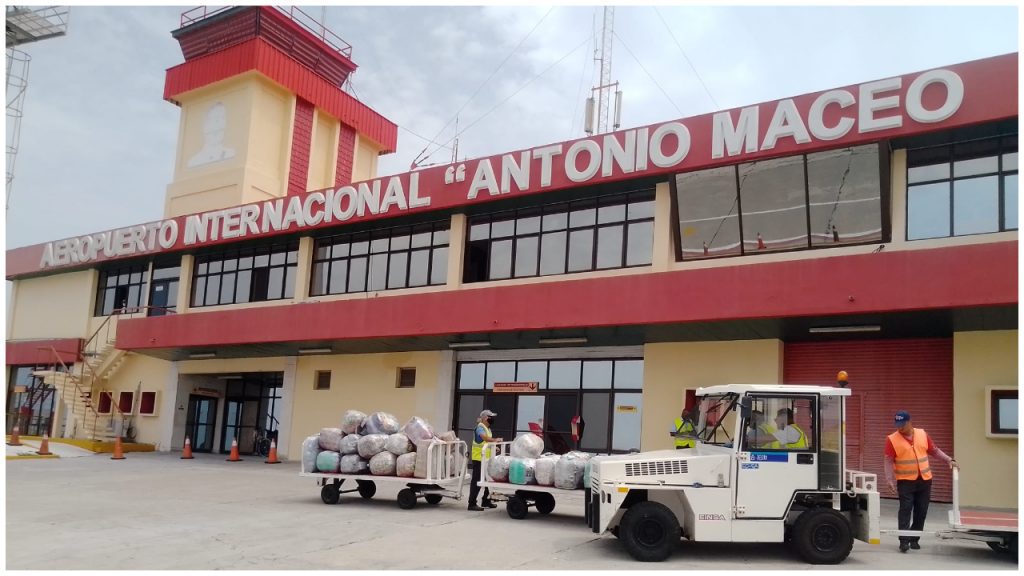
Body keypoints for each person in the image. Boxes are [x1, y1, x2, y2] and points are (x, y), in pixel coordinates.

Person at [884, 410, 957, 553]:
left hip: (924, 480)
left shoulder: (922, 434)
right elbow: (888, 461)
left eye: (902, 425)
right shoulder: (891, 439)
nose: (899, 428)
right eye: (897, 424)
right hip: (905, 482)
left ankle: (914, 539)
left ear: (910, 422)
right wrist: (889, 480)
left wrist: (949, 459)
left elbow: (934, 451)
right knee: (905, 510)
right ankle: (904, 541)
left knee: (921, 511)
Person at [468, 409, 502, 511]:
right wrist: (495, 440)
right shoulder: (480, 428)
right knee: (477, 481)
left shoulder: (487, 429)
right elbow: (484, 438)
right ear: (486, 418)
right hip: (479, 459)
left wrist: (494, 447)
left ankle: (486, 501)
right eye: (491, 417)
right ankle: (472, 504)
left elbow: (486, 443)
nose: (493, 419)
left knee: (489, 480)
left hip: (486, 459)